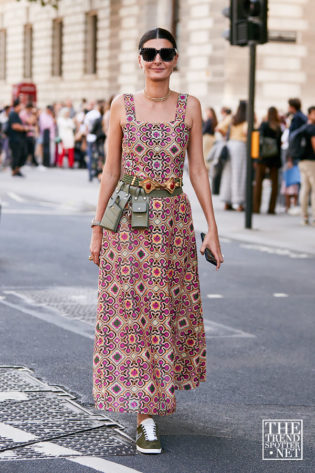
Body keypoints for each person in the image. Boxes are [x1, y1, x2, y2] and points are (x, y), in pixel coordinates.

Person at [89, 27, 223, 455]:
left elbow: (198, 169)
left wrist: (213, 229)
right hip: (127, 222)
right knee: (132, 313)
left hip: (173, 223)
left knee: (164, 309)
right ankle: (145, 415)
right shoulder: (121, 106)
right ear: (140, 58)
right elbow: (110, 171)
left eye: (165, 53)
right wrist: (97, 228)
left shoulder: (190, 107)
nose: (157, 59)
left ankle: (156, 390)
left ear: (176, 58)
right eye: (149, 53)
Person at [217, 100, 248, 211]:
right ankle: (239, 203)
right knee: (239, 174)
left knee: (228, 173)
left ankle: (227, 201)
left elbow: (219, 127)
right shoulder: (246, 120)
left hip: (230, 145)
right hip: (240, 146)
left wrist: (226, 136)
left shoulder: (232, 118)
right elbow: (246, 132)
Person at [253, 107, 282, 214]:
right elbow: (279, 144)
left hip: (263, 157)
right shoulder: (278, 127)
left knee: (258, 182)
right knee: (274, 184)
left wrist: (256, 157)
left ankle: (256, 208)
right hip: (274, 158)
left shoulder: (264, 125)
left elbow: (259, 141)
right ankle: (271, 208)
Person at [298, 106, 315, 225]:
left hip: (302, 161)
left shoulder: (303, 128)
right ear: (309, 115)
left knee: (305, 188)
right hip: (311, 162)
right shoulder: (313, 129)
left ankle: (304, 216)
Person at [7, 99, 28, 177]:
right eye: (21, 105)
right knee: (16, 155)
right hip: (14, 139)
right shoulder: (12, 114)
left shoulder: (17, 114)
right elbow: (14, 126)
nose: (22, 107)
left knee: (23, 154)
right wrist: (24, 128)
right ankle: (14, 170)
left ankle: (17, 169)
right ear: (17, 106)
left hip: (20, 139)